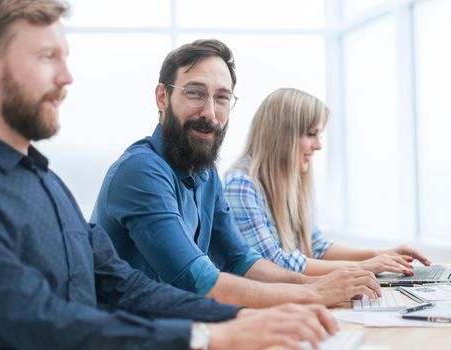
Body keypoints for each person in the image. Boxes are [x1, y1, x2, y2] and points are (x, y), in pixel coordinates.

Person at [0, 1, 338, 349]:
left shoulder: (48, 185)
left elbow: (128, 287)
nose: (67, 77)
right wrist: (207, 335)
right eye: (47, 57)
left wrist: (240, 319)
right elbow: (40, 320)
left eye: (65, 58)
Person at [92, 39, 382, 309]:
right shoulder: (140, 171)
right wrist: (313, 293)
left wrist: (316, 284)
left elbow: (240, 260)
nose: (210, 112)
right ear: (162, 97)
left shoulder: (206, 175)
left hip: (176, 328)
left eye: (221, 98)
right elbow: (200, 282)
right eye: (194, 93)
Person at [223, 88, 431, 277]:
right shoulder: (241, 186)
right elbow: (274, 265)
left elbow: (317, 246)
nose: (318, 145)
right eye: (311, 134)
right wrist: (364, 267)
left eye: (319, 135)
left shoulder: (287, 184)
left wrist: (379, 255)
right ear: (283, 136)